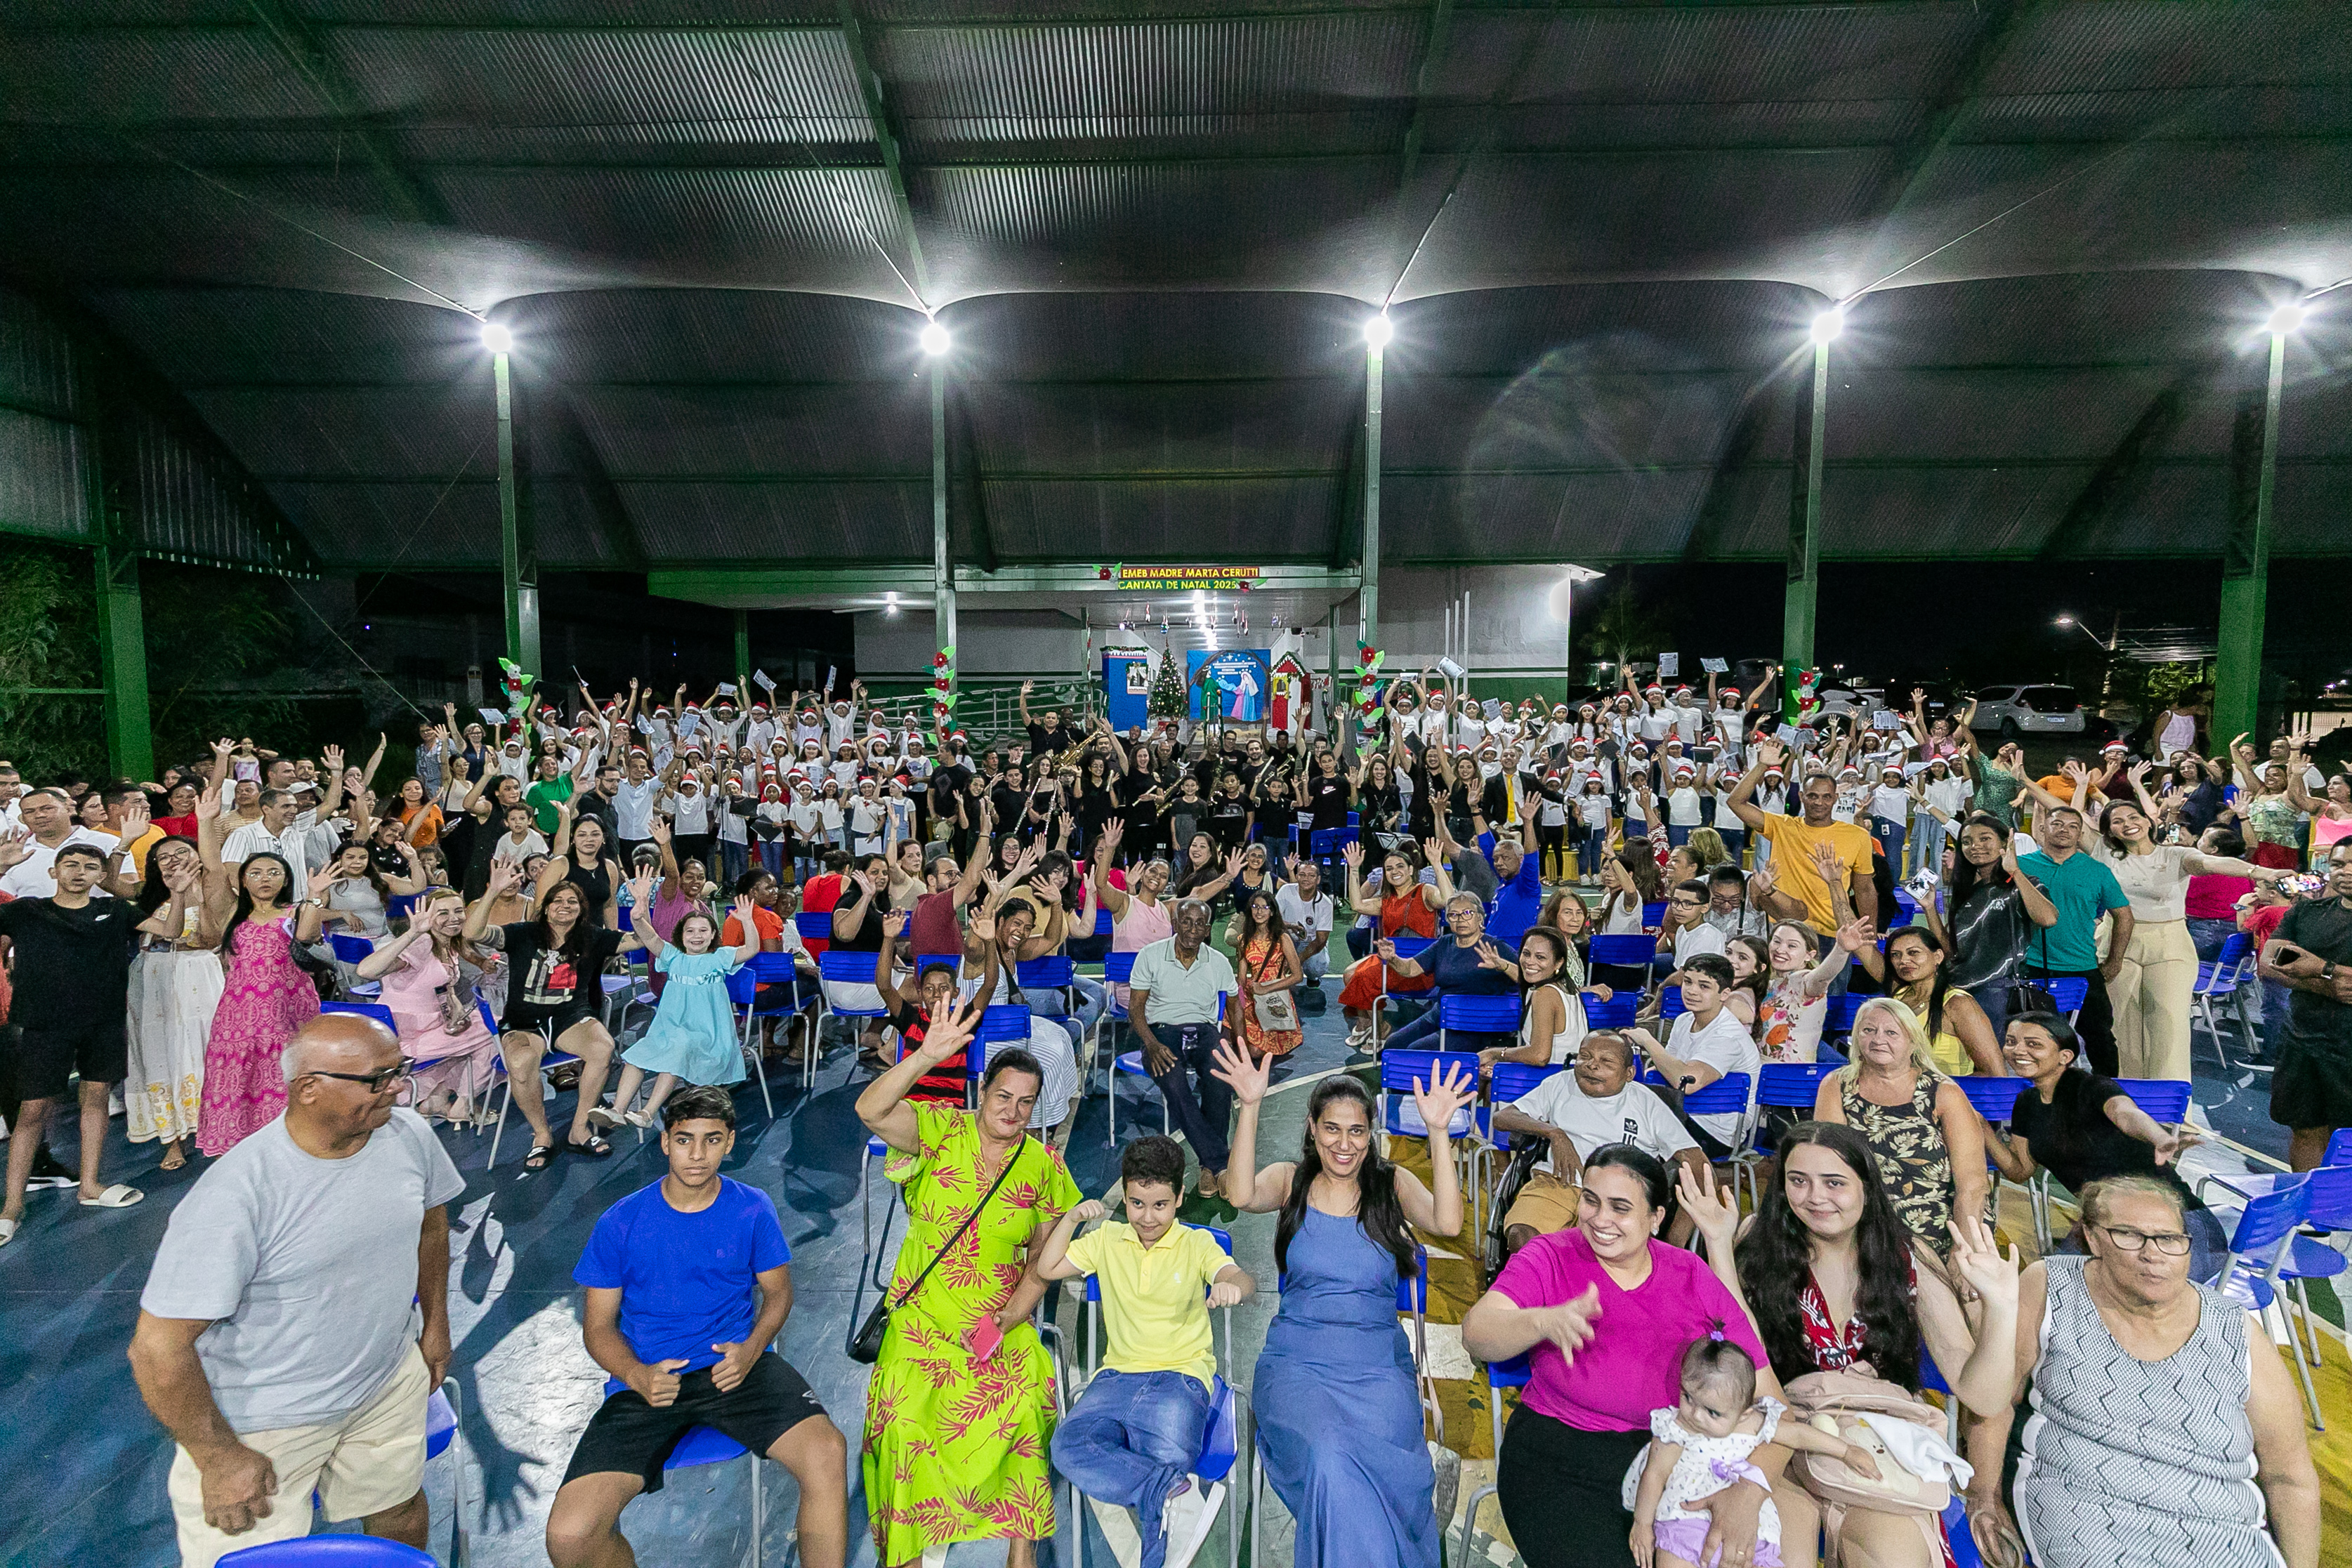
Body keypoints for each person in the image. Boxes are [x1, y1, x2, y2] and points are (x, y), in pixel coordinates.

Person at [129, 1013, 461, 1568]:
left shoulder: (409, 1136)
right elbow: (156, 1348)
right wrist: (218, 1456)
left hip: (384, 1381)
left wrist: (435, 1326)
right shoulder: (237, 1195)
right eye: (378, 1079)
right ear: (309, 1088)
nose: (398, 1088)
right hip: (263, 1419)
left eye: (399, 1070)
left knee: (400, 1512)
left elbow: (432, 1225)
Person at [1684, 1123, 2022, 1568]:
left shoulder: (1906, 1257)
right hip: (1779, 1438)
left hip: (1876, 1442)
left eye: (1834, 1183)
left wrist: (2001, 1308)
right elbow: (1740, 1353)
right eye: (1798, 1181)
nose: (1815, 1198)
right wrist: (1719, 1248)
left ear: (1867, 1185)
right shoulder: (1757, 1244)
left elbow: (1984, 1397)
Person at [544, 1085, 848, 1568]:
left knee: (827, 1451)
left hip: (735, 1369)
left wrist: (752, 1349)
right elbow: (598, 1328)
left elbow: (778, 1294)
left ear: (730, 1143)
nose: (698, 1154)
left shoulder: (752, 1208)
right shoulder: (620, 1221)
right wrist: (638, 1374)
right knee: (569, 1536)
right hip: (647, 1379)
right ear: (666, 1142)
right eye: (685, 1139)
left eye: (712, 1140)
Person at [1966, 1175, 2319, 1568]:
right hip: (2084, 1515)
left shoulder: (2235, 1329)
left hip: (2222, 1531)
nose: (2153, 1254)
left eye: (2169, 1239)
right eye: (2129, 1236)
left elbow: (2290, 1476)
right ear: (2093, 1239)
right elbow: (1995, 1403)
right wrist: (1984, 1496)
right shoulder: (2052, 1286)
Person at [1211, 1041, 1471, 1568]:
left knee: (1360, 1467)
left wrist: (1439, 1133)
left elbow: (1447, 1222)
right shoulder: (1291, 1181)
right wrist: (1250, 1106)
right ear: (1312, 1127)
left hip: (1378, 1370)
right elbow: (1239, 1195)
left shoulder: (1390, 1184)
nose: (1344, 1143)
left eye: (1357, 1131)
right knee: (1331, 1457)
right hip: (1297, 1365)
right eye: (1332, 1128)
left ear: (1371, 1134)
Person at [1462, 1144, 1773, 1568]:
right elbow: (1476, 1333)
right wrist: (1542, 1321)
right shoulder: (1552, 1255)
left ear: (1656, 1218)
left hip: (1674, 1461)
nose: (1599, 1219)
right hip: (1560, 1458)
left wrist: (1750, 1490)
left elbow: (1768, 1396)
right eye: (1590, 1200)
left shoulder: (1689, 1272)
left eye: (1620, 1208)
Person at [853, 1003, 1080, 1568]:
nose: (1012, 1110)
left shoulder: (1043, 1165)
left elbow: (1040, 1262)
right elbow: (869, 1108)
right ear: (982, 1090)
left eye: (1026, 1101)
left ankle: (1020, 1555)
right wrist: (925, 1057)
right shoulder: (938, 1130)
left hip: (997, 1321)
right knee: (903, 1425)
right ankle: (905, 1556)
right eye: (1003, 1095)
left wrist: (1009, 1318)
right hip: (922, 1320)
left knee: (1028, 1407)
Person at [1034, 1135, 1256, 1568]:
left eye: (1160, 1205)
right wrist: (1072, 1218)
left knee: (1168, 1457)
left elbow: (1239, 1277)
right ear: (1124, 1194)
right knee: (1067, 1446)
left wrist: (1232, 1286)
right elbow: (1047, 1267)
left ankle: (1158, 1496)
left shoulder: (1196, 1244)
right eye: (1137, 1204)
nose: (1148, 1217)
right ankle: (1164, 1490)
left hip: (1181, 1379)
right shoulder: (1107, 1239)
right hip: (1116, 1379)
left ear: (1179, 1198)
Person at [1984, 1010, 2226, 1277]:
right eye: (2011, 1041)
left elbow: (2126, 1114)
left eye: (2033, 1044)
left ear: (2065, 1056)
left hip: (2176, 1223)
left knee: (2148, 1292)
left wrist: (2160, 1137)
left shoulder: (2091, 1087)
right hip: (2108, 1225)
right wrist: (1982, 1128)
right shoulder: (2026, 1104)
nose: (2018, 1050)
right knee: (2053, 1285)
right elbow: (2019, 1171)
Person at [2075, 779, 2285, 1080]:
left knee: (2169, 1025)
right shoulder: (2103, 852)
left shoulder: (2175, 855)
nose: (2128, 824)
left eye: (2134, 817)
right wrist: (2065, 785)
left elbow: (2211, 863)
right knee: (2121, 1024)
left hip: (2169, 942)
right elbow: (2067, 818)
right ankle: (2123, 1094)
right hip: (2117, 940)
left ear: (2148, 821)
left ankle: (2169, 1099)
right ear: (2109, 831)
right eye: (2117, 821)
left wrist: (2262, 871)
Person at [0, 839, 148, 1246]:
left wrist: (129, 850)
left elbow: (168, 929)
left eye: (89, 866)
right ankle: (11, 1207)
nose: (79, 872)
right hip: (44, 1025)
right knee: (32, 1110)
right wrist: (0, 868)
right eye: (71, 864)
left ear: (101, 875)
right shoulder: (26, 910)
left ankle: (91, 1185)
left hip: (103, 1022)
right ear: (54, 871)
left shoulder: (114, 909)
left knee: (96, 1099)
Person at [1629, 1336, 1883, 1568]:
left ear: (1744, 1414)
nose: (1695, 1414)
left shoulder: (1752, 1424)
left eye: (1712, 1412)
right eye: (1688, 1397)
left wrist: (1846, 1451)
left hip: (1748, 1531)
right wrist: (1642, 1524)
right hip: (1684, 1520)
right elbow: (1655, 1475)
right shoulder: (1676, 1429)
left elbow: (1797, 1434)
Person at [463, 861, 637, 1169]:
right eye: (557, 900)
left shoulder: (593, 936)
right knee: (520, 1063)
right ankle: (542, 1133)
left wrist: (641, 909)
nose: (565, 906)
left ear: (581, 910)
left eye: (572, 902)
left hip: (571, 1017)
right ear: (544, 908)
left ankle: (579, 1129)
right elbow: (472, 932)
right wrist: (493, 891)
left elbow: (641, 941)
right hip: (524, 1021)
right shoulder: (522, 933)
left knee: (603, 1049)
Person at [1492, 1030, 1703, 1251]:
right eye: (1585, 1056)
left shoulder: (1648, 1104)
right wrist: (1554, 1133)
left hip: (1620, 1197)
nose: (1592, 1065)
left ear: (1629, 1073)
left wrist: (1675, 1241)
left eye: (1606, 1062)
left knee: (1603, 1252)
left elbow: (1699, 1165)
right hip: (1558, 1183)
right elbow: (1503, 1117)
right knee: (1523, 1238)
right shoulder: (1560, 1083)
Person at [1813, 996, 1987, 1258]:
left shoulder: (1944, 1092)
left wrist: (1963, 1251)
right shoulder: (1836, 1085)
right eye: (1868, 1030)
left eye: (1891, 1032)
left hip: (1938, 1223)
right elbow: (1829, 1166)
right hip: (1861, 1218)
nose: (1878, 1039)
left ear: (1913, 1042)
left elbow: (1972, 1183)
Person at [598, 876, 763, 1129]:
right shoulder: (672, 956)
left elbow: (751, 949)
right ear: (681, 935)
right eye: (690, 931)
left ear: (713, 935)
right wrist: (637, 913)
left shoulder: (720, 957)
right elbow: (649, 937)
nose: (697, 936)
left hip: (710, 1037)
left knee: (677, 1049)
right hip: (669, 1031)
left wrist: (747, 921)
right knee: (637, 1054)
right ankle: (617, 1111)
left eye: (703, 931)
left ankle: (647, 1113)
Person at [195, 850, 326, 1159]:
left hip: (287, 1012)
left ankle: (292, 1150)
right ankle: (242, 1152)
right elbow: (212, 868)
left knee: (286, 1076)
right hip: (237, 1017)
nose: (265, 879)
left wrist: (315, 896)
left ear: (286, 880)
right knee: (238, 1080)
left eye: (273, 872)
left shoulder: (296, 911)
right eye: (255, 873)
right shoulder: (233, 912)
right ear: (242, 880)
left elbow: (307, 936)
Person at [353, 887, 502, 1126]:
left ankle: (437, 1100)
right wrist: (412, 933)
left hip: (434, 1026)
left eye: (458, 911)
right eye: (443, 913)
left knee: (485, 1029)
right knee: (496, 1032)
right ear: (428, 917)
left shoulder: (447, 944)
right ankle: (462, 1104)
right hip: (405, 1038)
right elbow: (365, 970)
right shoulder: (421, 943)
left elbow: (444, 985)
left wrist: (456, 1009)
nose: (454, 918)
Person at [127, 834, 225, 1171]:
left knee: (205, 1048)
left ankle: (216, 1128)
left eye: (181, 852)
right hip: (151, 975)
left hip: (197, 972)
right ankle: (171, 1138)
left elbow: (212, 939)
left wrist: (196, 895)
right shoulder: (146, 893)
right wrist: (125, 843)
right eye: (163, 856)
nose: (172, 860)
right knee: (158, 1052)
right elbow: (109, 882)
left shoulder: (216, 890)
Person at [1131, 900, 1241, 1197]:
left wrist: (1239, 1049)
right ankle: (1219, 1164)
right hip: (1161, 1032)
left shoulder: (1219, 961)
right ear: (1175, 924)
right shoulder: (1150, 955)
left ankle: (1210, 1166)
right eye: (1186, 922)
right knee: (1174, 1082)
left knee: (1220, 1075)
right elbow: (1136, 1009)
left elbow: (1235, 1007)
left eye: (1199, 924)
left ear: (1208, 929)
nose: (1192, 929)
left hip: (1204, 1029)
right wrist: (1151, 1044)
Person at [1920, 812, 2058, 1041]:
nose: (1975, 846)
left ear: (2005, 843)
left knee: (1993, 1057)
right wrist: (1929, 908)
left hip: (1998, 991)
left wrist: (2015, 872)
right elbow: (1950, 951)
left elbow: (2048, 919)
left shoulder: (2022, 885)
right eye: (1967, 841)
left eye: (1985, 839)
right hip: (1957, 990)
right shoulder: (1966, 890)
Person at [2016, 804, 2132, 1076]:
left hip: (2082, 967)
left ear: (2080, 834)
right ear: (2042, 828)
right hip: (2030, 966)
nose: (2064, 831)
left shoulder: (2097, 871)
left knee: (2101, 1040)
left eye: (2073, 827)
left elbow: (2124, 917)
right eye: (2057, 824)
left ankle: (2106, 1095)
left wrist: (2115, 961)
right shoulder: (2020, 866)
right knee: (2030, 1039)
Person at [2257, 838, 2352, 1170]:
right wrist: (2329, 981)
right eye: (2338, 864)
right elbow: (2269, 963)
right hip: (2303, 1040)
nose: (2346, 872)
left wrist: (2319, 966)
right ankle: (2308, 1201)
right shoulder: (2308, 911)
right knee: (2306, 1128)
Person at [1728, 738, 1879, 933]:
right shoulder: (1782, 826)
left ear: (1835, 798)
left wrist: (1870, 933)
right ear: (1802, 797)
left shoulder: (1857, 836)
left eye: (1826, 797)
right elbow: (1736, 802)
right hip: (1785, 928)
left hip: (1834, 931)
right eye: (1812, 796)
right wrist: (1762, 765)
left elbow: (1865, 889)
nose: (1819, 802)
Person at [1623, 954, 1760, 1161]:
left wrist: (1648, 1041)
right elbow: (1667, 1068)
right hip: (1682, 1113)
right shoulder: (1684, 1020)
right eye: (1688, 982)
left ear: (1724, 994)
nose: (1692, 991)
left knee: (1629, 1129)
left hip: (1715, 1132)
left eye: (1704, 986)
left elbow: (1686, 1082)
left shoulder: (1728, 1036)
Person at [1376, 890, 1518, 1055]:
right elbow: (1411, 968)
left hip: (1475, 1024)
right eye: (1453, 915)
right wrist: (1393, 958)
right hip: (1441, 1015)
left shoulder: (1496, 947)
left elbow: (1525, 979)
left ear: (1480, 917)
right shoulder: (1444, 943)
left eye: (1467, 913)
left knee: (1416, 1052)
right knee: (1393, 1045)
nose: (1460, 919)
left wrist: (1503, 965)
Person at [1851, 924, 2004, 1076]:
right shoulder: (1899, 995)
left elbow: (1996, 1074)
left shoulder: (1959, 1004)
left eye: (1913, 953)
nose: (1904, 960)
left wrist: (1937, 1087)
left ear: (1938, 957)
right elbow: (1863, 948)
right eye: (1896, 955)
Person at [1335, 842, 1443, 1048]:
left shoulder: (1425, 891)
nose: (1395, 871)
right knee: (1349, 974)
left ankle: (1378, 1028)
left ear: (1411, 870)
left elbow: (1446, 899)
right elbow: (1357, 905)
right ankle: (1371, 1022)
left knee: (1363, 977)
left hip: (1418, 966)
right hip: (1389, 961)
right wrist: (1354, 869)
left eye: (1400, 866)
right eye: (1389, 868)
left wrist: (1437, 864)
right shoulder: (1386, 900)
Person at [1231, 884, 1305, 1059]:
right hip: (1253, 994)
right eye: (1255, 907)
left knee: (1255, 1052)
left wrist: (1265, 989)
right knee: (1227, 1036)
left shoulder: (1282, 938)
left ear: (1272, 912)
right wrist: (1239, 999)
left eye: (1265, 907)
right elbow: (1241, 980)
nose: (1259, 911)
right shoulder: (1244, 940)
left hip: (1274, 997)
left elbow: (1298, 976)